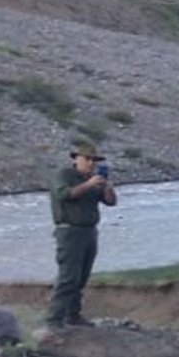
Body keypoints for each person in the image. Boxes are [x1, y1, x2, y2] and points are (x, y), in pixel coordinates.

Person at [46, 140, 118, 329]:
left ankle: (73, 315)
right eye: (88, 159)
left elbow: (111, 202)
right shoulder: (63, 175)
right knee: (68, 276)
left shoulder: (94, 179)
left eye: (94, 160)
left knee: (82, 276)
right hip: (69, 231)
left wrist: (107, 187)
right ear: (77, 158)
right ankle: (54, 319)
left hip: (89, 231)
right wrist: (89, 184)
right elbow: (65, 195)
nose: (91, 163)